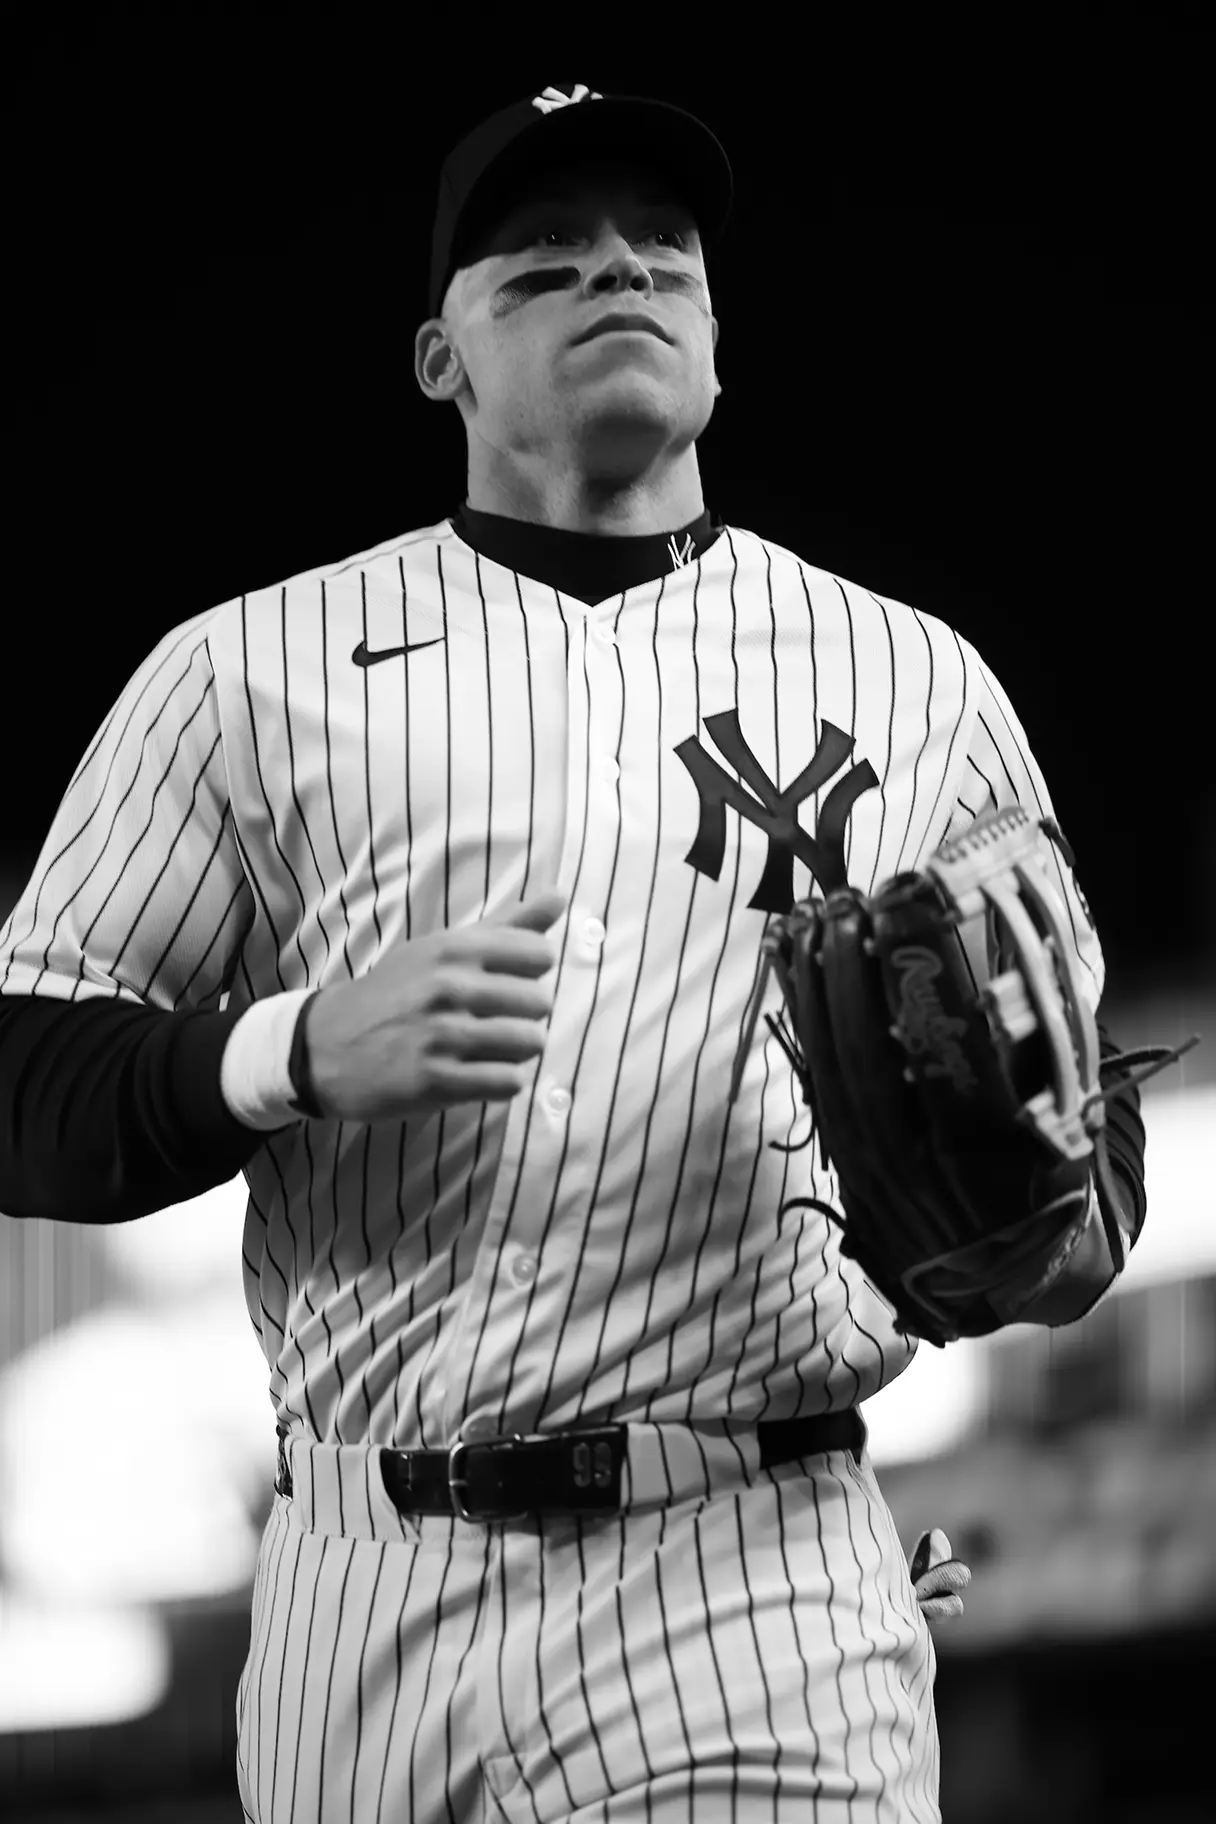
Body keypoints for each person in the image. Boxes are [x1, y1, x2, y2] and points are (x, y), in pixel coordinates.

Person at [0, 82, 1151, 1823]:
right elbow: (22, 1080)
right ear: (436, 361)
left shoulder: (917, 681)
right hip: (362, 1592)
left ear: (713, 340)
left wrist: (1044, 1237)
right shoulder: (246, 672)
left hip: (755, 1569)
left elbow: (1086, 1160)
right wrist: (291, 1050)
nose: (616, 269)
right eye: (542, 263)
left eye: (659, 255)